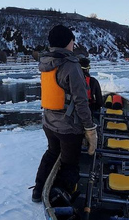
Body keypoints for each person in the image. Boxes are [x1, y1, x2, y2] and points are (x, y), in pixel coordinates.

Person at [32, 25, 98, 203]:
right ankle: (61, 200)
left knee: (52, 153)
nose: (73, 45)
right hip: (68, 127)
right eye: (72, 41)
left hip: (49, 123)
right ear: (67, 43)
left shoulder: (45, 63)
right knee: (69, 163)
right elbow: (81, 101)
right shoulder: (70, 65)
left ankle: (39, 191)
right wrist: (90, 128)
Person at [79, 56, 103, 121]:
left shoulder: (70, 80)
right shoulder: (93, 81)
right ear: (87, 69)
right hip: (87, 109)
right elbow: (99, 102)